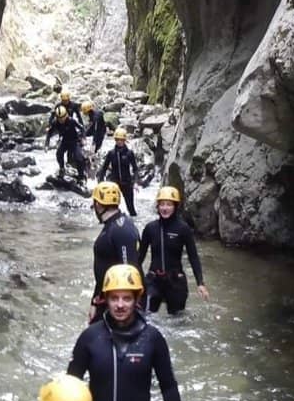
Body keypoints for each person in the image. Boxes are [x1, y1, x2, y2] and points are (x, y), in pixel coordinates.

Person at [68, 263, 185, 401]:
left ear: (137, 299)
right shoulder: (90, 338)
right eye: (114, 298)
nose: (120, 305)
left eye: (126, 298)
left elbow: (169, 387)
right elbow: (70, 386)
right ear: (105, 299)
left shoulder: (152, 339)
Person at [137, 185, 209, 314]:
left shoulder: (183, 228)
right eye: (162, 204)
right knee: (145, 318)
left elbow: (193, 256)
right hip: (154, 280)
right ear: (157, 206)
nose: (165, 208)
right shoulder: (150, 228)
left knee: (177, 323)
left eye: (169, 204)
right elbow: (139, 257)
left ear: (175, 206)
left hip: (175, 281)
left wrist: (200, 283)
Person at [89, 182, 140, 322]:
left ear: (98, 205)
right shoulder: (114, 225)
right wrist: (95, 300)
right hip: (108, 297)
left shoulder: (120, 229)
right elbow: (104, 268)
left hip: (117, 302)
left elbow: (129, 268)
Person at [98, 126, 139, 215]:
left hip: (127, 183)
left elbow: (135, 169)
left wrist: (135, 182)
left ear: (124, 140)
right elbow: (104, 168)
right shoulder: (111, 153)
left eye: (121, 140)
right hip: (114, 184)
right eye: (117, 140)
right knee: (111, 208)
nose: (119, 142)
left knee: (131, 209)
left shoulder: (129, 153)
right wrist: (100, 183)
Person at [45, 100, 87, 183]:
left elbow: (82, 128)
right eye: (59, 118)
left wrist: (83, 138)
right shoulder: (55, 122)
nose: (61, 120)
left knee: (79, 158)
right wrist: (46, 145)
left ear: (66, 116)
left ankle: (81, 176)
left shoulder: (71, 121)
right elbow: (49, 133)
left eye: (62, 118)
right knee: (59, 154)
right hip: (64, 141)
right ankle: (62, 168)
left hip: (74, 141)